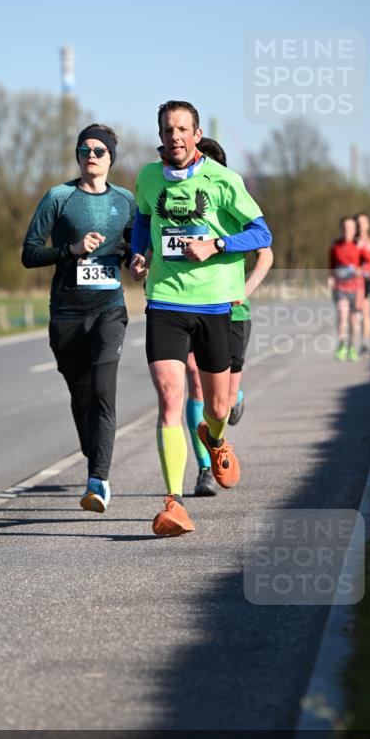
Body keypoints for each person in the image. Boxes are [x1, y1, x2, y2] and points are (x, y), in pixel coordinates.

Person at [130, 101, 272, 536]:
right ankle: (173, 503)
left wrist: (217, 244)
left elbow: (261, 235)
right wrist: (140, 253)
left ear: (196, 133)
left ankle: (216, 436)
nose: (175, 136)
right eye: (168, 129)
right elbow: (141, 218)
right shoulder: (148, 177)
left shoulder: (225, 181)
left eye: (183, 129)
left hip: (214, 306)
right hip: (166, 303)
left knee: (217, 406)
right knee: (171, 399)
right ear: (160, 133)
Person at [22, 125, 134, 513]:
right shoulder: (59, 198)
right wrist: (69, 249)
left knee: (103, 390)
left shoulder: (125, 200)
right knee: (81, 396)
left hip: (109, 309)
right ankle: (94, 454)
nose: (91, 154)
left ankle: (98, 480)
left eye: (99, 150)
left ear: (110, 158)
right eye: (84, 148)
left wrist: (137, 260)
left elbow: (136, 247)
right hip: (67, 314)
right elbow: (29, 253)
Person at [181, 138, 273, 495]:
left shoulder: (233, 200)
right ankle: (205, 468)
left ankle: (236, 398)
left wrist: (244, 292)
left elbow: (266, 254)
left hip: (234, 312)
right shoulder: (185, 205)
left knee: (225, 399)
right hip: (192, 307)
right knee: (195, 380)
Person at [328, 215, 370, 361]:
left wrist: (362, 269)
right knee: (342, 315)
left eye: (350, 227)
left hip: (357, 288)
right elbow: (331, 264)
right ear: (340, 229)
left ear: (355, 229)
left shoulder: (359, 246)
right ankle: (342, 345)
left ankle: (352, 347)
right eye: (344, 227)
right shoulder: (335, 246)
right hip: (340, 286)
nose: (347, 230)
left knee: (354, 319)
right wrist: (330, 277)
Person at [354, 212, 370, 355]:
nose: (361, 225)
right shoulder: (351, 239)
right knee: (354, 313)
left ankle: (365, 342)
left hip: (367, 279)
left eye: (363, 222)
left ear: (368, 224)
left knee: (365, 311)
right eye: (358, 222)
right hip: (352, 281)